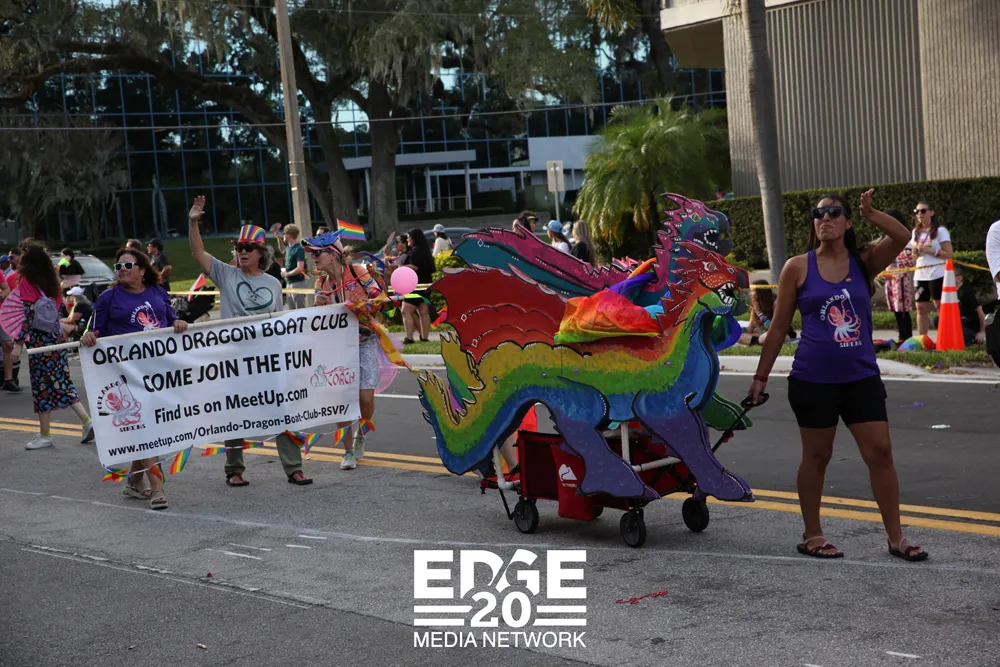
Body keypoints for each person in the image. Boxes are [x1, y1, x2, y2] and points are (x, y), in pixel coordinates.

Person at [749, 190, 928, 562]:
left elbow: (901, 236)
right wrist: (760, 376)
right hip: (813, 379)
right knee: (817, 455)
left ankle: (896, 538)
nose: (825, 219)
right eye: (819, 214)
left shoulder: (863, 262)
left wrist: (872, 213)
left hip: (860, 376)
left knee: (880, 451)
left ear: (847, 222)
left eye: (834, 213)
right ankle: (812, 534)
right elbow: (779, 327)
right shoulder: (797, 267)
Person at [188, 196, 312, 487]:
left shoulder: (273, 283)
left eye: (247, 248)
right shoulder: (226, 274)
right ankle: (234, 470)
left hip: (268, 358)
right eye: (238, 247)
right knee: (235, 412)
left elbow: (277, 322)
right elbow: (198, 252)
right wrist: (193, 222)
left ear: (260, 253)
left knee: (282, 409)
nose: (241, 252)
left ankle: (294, 468)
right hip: (234, 359)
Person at [81, 249, 187, 509]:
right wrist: (88, 336)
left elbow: (170, 321)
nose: (122, 270)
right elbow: (94, 330)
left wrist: (180, 324)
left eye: (128, 265)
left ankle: (134, 481)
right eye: (118, 266)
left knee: (152, 427)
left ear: (142, 269)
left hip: (160, 371)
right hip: (127, 374)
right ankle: (157, 487)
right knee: (144, 426)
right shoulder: (108, 297)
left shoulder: (157, 292)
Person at [305, 232, 386, 470]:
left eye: (318, 253)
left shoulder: (357, 272)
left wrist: (369, 303)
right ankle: (348, 451)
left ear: (334, 255)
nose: (314, 258)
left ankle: (362, 433)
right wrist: (318, 305)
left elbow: (380, 299)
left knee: (365, 397)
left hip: (364, 340)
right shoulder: (321, 283)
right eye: (312, 254)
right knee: (341, 399)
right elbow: (317, 320)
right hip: (337, 347)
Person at [16, 244, 95, 450]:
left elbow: (28, 315)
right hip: (56, 337)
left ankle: (46, 434)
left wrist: (18, 343)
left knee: (42, 386)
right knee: (60, 381)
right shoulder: (52, 281)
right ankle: (85, 421)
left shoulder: (27, 282)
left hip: (38, 341)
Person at [910, 201, 952, 336]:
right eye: (916, 211)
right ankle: (922, 339)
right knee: (920, 308)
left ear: (931, 212)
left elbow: (949, 254)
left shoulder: (940, 231)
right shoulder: (915, 232)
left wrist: (931, 251)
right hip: (920, 274)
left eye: (923, 211)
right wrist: (915, 253)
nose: (919, 214)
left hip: (937, 273)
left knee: (939, 306)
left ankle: (945, 337)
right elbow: (914, 255)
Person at [882, 209, 915, 343]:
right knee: (895, 308)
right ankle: (901, 336)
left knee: (903, 309)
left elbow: (910, 258)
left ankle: (906, 337)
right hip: (890, 278)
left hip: (901, 278)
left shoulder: (905, 237)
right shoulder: (886, 237)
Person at [399, 229, 435, 344]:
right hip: (426, 285)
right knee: (423, 312)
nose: (407, 239)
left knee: (405, 311)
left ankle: (409, 338)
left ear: (414, 238)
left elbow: (414, 266)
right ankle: (424, 338)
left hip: (414, 286)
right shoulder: (425, 250)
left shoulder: (415, 251)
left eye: (409, 237)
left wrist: (401, 268)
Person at [739, 282, 796, 346]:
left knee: (773, 334)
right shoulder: (755, 307)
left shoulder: (776, 304)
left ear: (760, 292)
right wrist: (735, 331)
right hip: (763, 336)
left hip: (783, 335)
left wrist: (759, 313)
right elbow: (749, 329)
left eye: (752, 291)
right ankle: (757, 342)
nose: (750, 294)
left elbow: (774, 329)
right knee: (740, 337)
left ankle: (756, 342)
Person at [278, 224, 308, 309]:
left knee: (300, 310)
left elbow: (300, 268)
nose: (283, 235)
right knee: (291, 311)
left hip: (298, 283)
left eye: (284, 233)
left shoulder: (299, 249)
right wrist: (278, 238)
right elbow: (282, 250)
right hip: (289, 283)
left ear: (289, 235)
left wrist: (287, 274)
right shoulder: (289, 247)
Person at [954, 265, 986, 346]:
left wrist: (982, 331)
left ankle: (972, 338)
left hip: (970, 326)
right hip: (960, 323)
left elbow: (980, 310)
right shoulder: (953, 292)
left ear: (959, 279)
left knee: (962, 333)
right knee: (936, 320)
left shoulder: (965, 293)